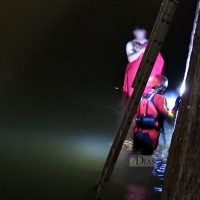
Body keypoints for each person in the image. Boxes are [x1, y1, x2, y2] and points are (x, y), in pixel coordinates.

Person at [132, 74, 181, 155]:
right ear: (162, 86)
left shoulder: (143, 96)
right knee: (146, 160)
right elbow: (168, 115)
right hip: (150, 135)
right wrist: (175, 107)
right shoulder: (160, 98)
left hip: (137, 132)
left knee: (134, 159)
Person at [123, 26, 164, 97]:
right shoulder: (130, 43)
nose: (140, 33)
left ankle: (152, 86)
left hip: (148, 71)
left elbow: (158, 60)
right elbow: (130, 59)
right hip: (135, 72)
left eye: (142, 31)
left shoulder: (150, 43)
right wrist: (141, 50)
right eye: (138, 31)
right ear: (134, 32)